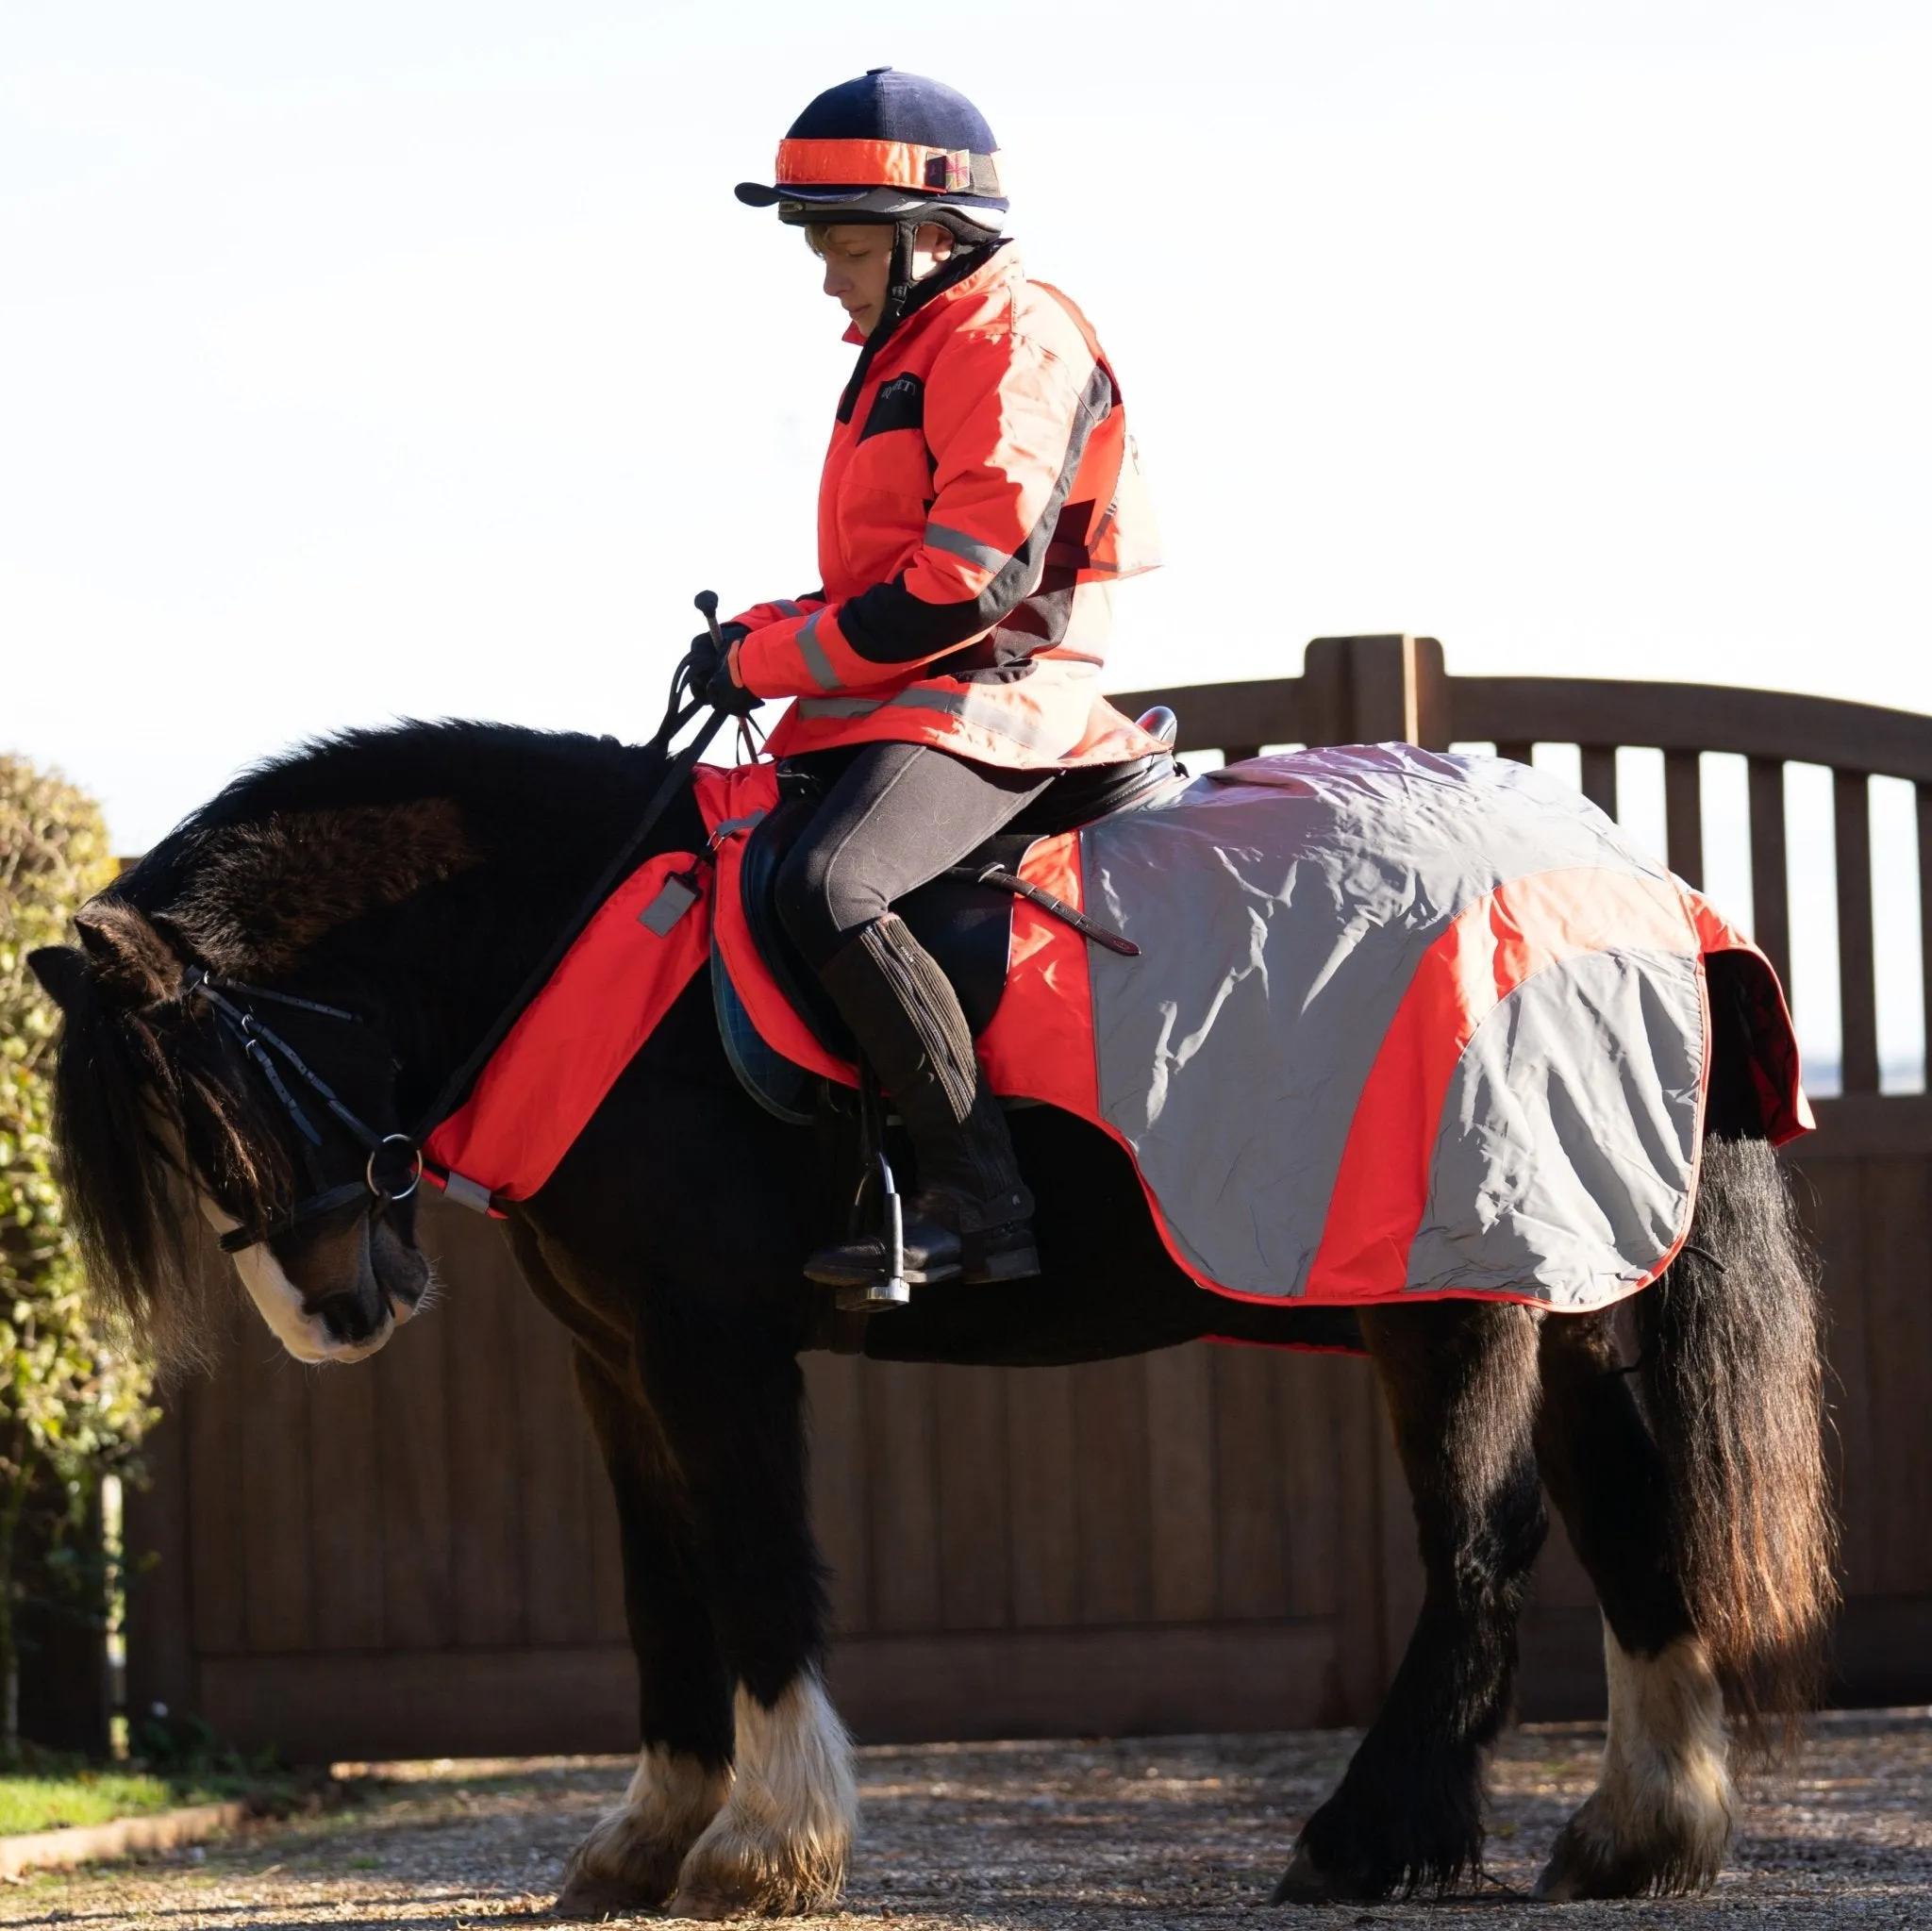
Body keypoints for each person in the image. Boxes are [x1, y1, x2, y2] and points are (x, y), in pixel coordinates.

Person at [694, 66, 1161, 1290]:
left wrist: (768, 655)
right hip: (919, 687)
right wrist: (753, 635)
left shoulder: (1011, 336)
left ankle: (980, 1203)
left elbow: (967, 584)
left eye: (847, 249)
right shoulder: (917, 341)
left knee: (833, 883)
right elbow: (881, 583)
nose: (831, 280)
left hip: (1006, 692)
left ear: (933, 237)